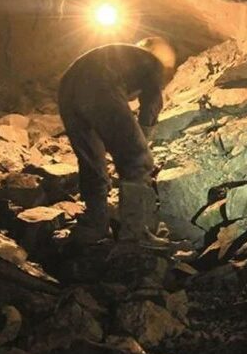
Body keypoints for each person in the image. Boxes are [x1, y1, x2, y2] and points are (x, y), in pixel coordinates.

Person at [58, 37, 176, 245]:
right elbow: (152, 102)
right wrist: (141, 140)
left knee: (91, 161)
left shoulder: (123, 58)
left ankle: (95, 225)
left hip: (66, 89)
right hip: (99, 83)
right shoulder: (152, 63)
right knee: (137, 161)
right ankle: (135, 234)